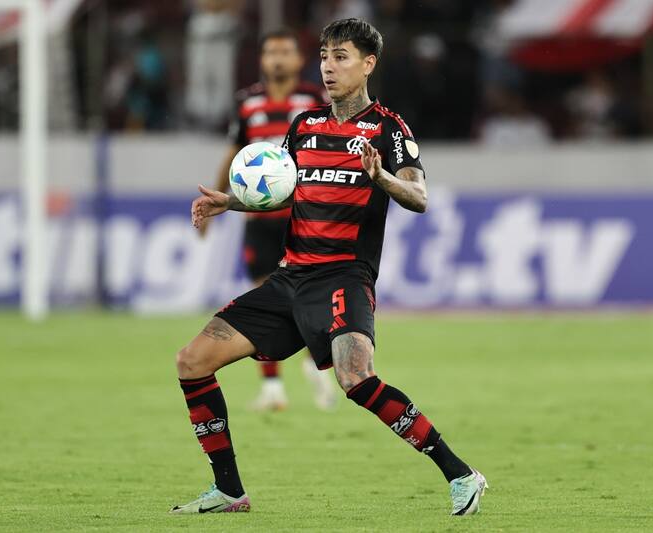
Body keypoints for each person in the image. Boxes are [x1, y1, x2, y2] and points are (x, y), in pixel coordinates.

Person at [172, 18, 487, 516]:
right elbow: (277, 190)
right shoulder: (305, 126)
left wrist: (381, 176)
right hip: (290, 276)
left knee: (356, 379)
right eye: (323, 55)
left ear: (368, 63)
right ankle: (229, 491)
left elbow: (419, 197)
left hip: (343, 277)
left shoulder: (389, 129)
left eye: (340, 56)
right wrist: (228, 202)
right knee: (192, 361)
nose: (328, 65)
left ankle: (461, 475)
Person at [199, 28, 337, 411]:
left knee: (310, 294)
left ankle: (314, 359)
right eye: (270, 52)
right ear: (262, 60)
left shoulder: (313, 99)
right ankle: (273, 388)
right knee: (266, 298)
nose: (277, 58)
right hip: (259, 217)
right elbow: (233, 153)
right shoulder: (247, 102)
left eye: (284, 52)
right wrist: (217, 198)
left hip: (301, 217)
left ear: (297, 60)